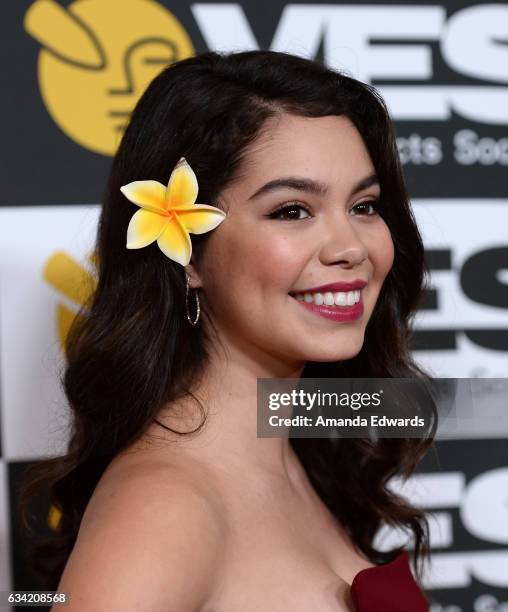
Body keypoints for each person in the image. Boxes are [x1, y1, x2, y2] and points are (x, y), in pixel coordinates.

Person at [20, 50, 434, 611]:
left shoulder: (302, 455)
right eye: (292, 210)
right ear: (186, 254)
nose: (352, 248)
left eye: (364, 205)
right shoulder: (164, 507)